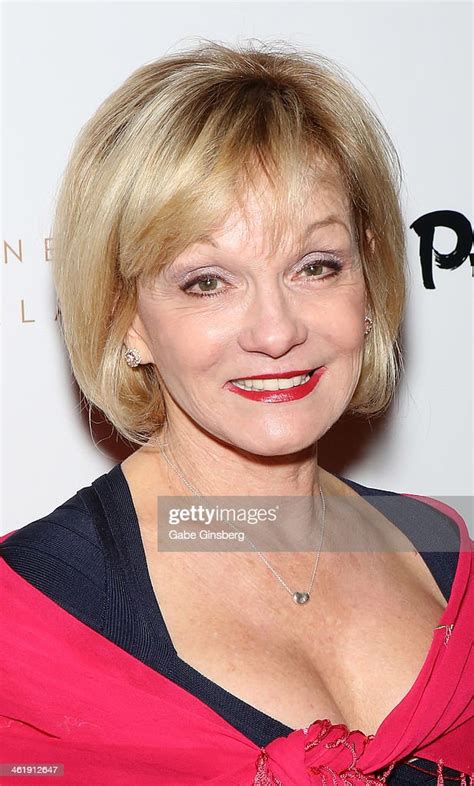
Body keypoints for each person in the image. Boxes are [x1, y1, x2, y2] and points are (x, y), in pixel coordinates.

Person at [1, 40, 472, 786]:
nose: (278, 331)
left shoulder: (447, 556)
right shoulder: (26, 618)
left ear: (370, 275)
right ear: (127, 317)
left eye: (316, 266)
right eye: (207, 281)